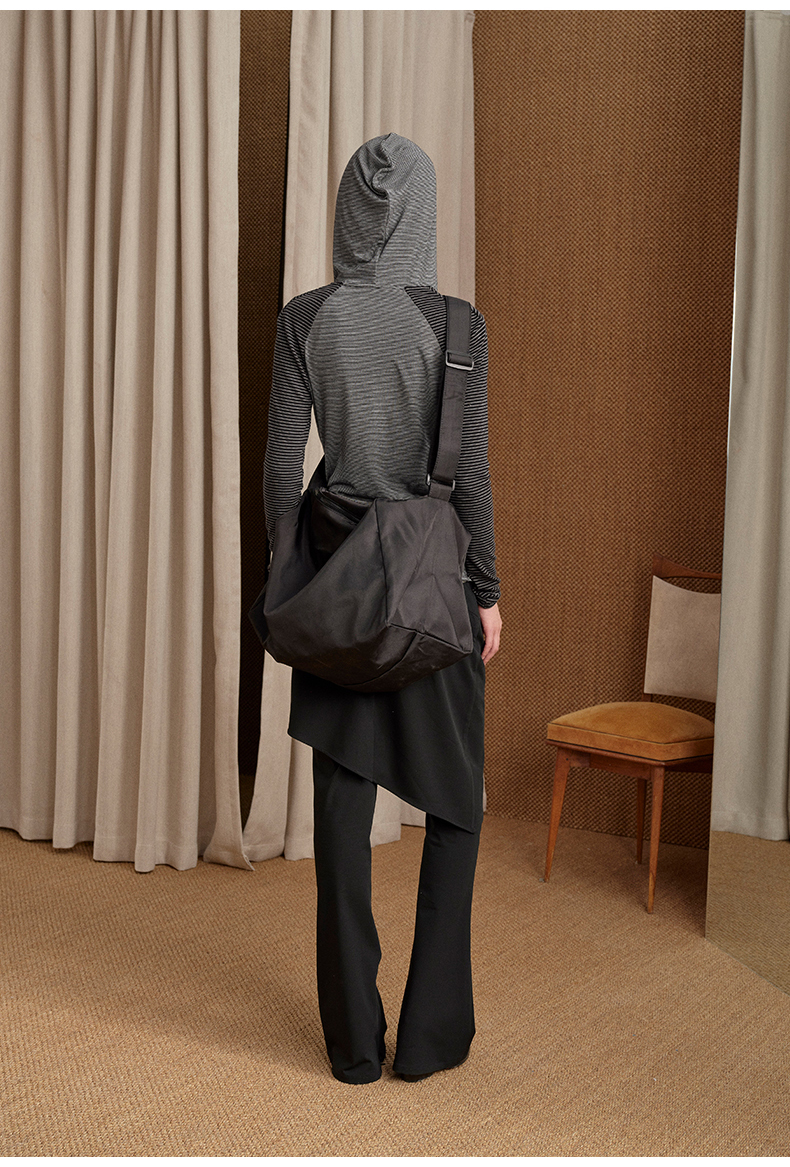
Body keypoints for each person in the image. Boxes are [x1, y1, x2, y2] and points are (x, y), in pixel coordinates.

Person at [263, 132, 502, 1085]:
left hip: (338, 580)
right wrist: (489, 594)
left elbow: (281, 469)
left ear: (348, 214)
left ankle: (353, 1044)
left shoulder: (303, 319)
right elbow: (471, 474)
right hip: (435, 580)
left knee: (341, 802)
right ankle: (431, 1037)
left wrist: (286, 581)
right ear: (423, 216)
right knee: (457, 806)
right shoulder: (457, 325)